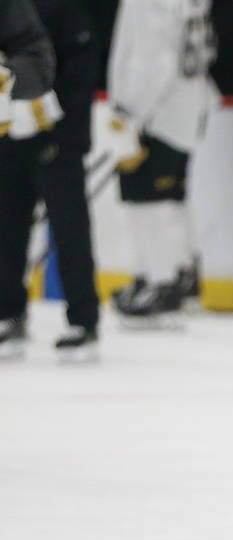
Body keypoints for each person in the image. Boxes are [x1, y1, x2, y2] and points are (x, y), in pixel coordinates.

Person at [1, 0, 101, 362]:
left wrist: (61, 127)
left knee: (69, 228)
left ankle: (83, 318)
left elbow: (79, 70)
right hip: (11, 132)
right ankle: (9, 311)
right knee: (8, 227)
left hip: (56, 138)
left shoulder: (68, 10)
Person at [104, 0, 215, 328]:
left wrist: (128, 111)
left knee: (149, 202)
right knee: (170, 198)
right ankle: (177, 278)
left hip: (158, 111)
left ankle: (163, 284)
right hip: (187, 102)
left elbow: (155, 61)